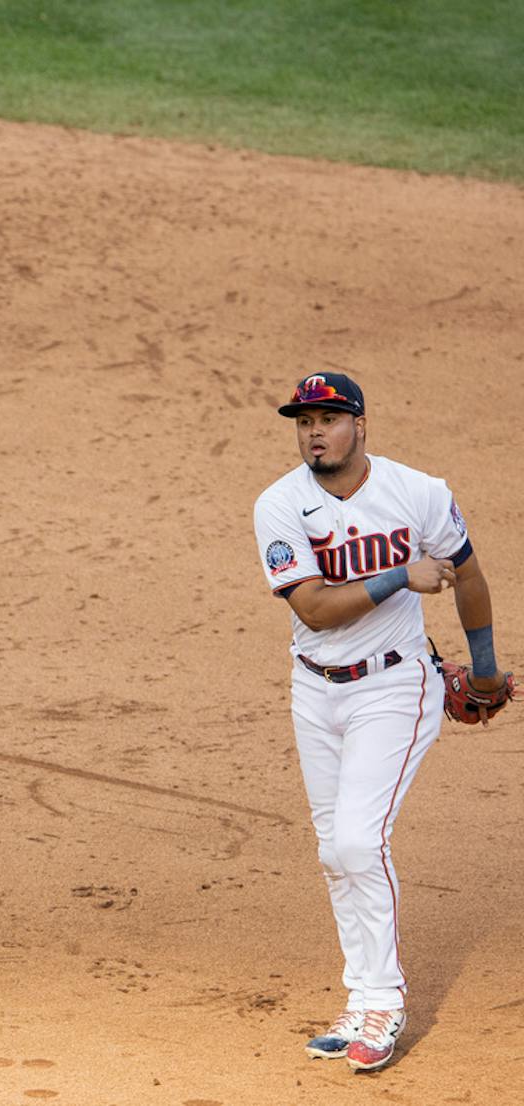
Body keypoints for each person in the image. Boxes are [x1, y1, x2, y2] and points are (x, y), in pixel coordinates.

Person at [253, 372, 509, 1072]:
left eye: (329, 418)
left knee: (360, 842)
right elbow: (313, 608)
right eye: (304, 420)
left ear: (360, 425)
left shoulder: (418, 491)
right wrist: (402, 576)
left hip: (396, 686)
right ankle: (360, 997)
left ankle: (386, 1004)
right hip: (314, 692)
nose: (314, 431)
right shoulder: (279, 504)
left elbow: (471, 576)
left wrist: (484, 669)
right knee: (335, 852)